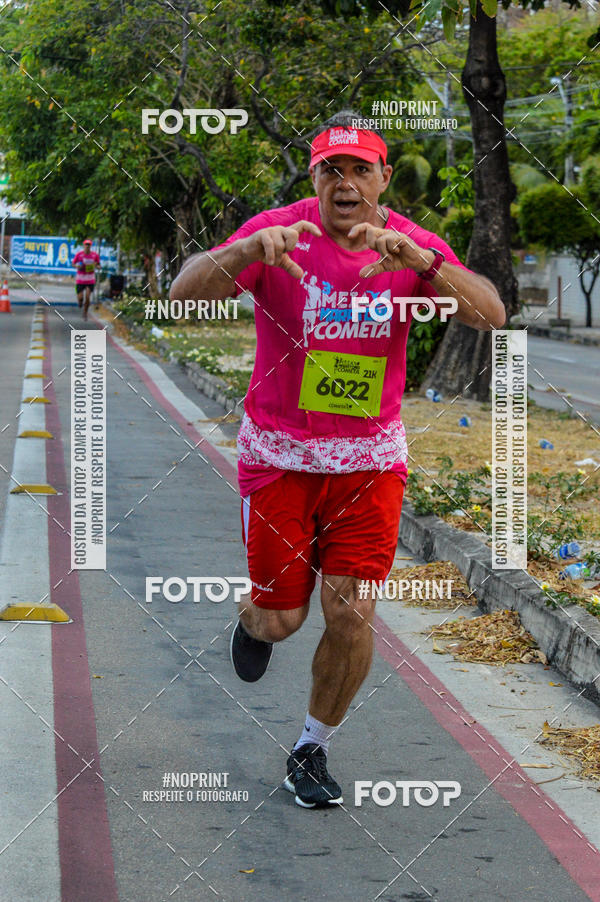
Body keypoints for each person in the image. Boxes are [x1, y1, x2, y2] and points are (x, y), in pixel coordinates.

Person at [170, 112, 505, 809]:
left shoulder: (409, 244)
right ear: (313, 176)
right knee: (282, 620)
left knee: (352, 611)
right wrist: (245, 254)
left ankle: (310, 747)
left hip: (369, 462)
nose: (345, 183)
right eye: (331, 169)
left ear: (384, 177)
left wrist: (427, 264)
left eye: (360, 170)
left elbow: (490, 313)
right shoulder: (278, 231)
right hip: (282, 458)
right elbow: (182, 293)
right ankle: (253, 617)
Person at [72, 239, 100, 320]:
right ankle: (80, 302)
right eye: (86, 244)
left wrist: (96, 266)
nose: (87, 246)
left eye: (89, 245)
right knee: (81, 298)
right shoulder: (79, 254)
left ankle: (85, 313)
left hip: (90, 279)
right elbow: (73, 264)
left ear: (90, 246)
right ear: (84, 245)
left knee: (88, 296)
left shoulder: (95, 255)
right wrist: (77, 266)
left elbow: (98, 265)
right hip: (80, 279)